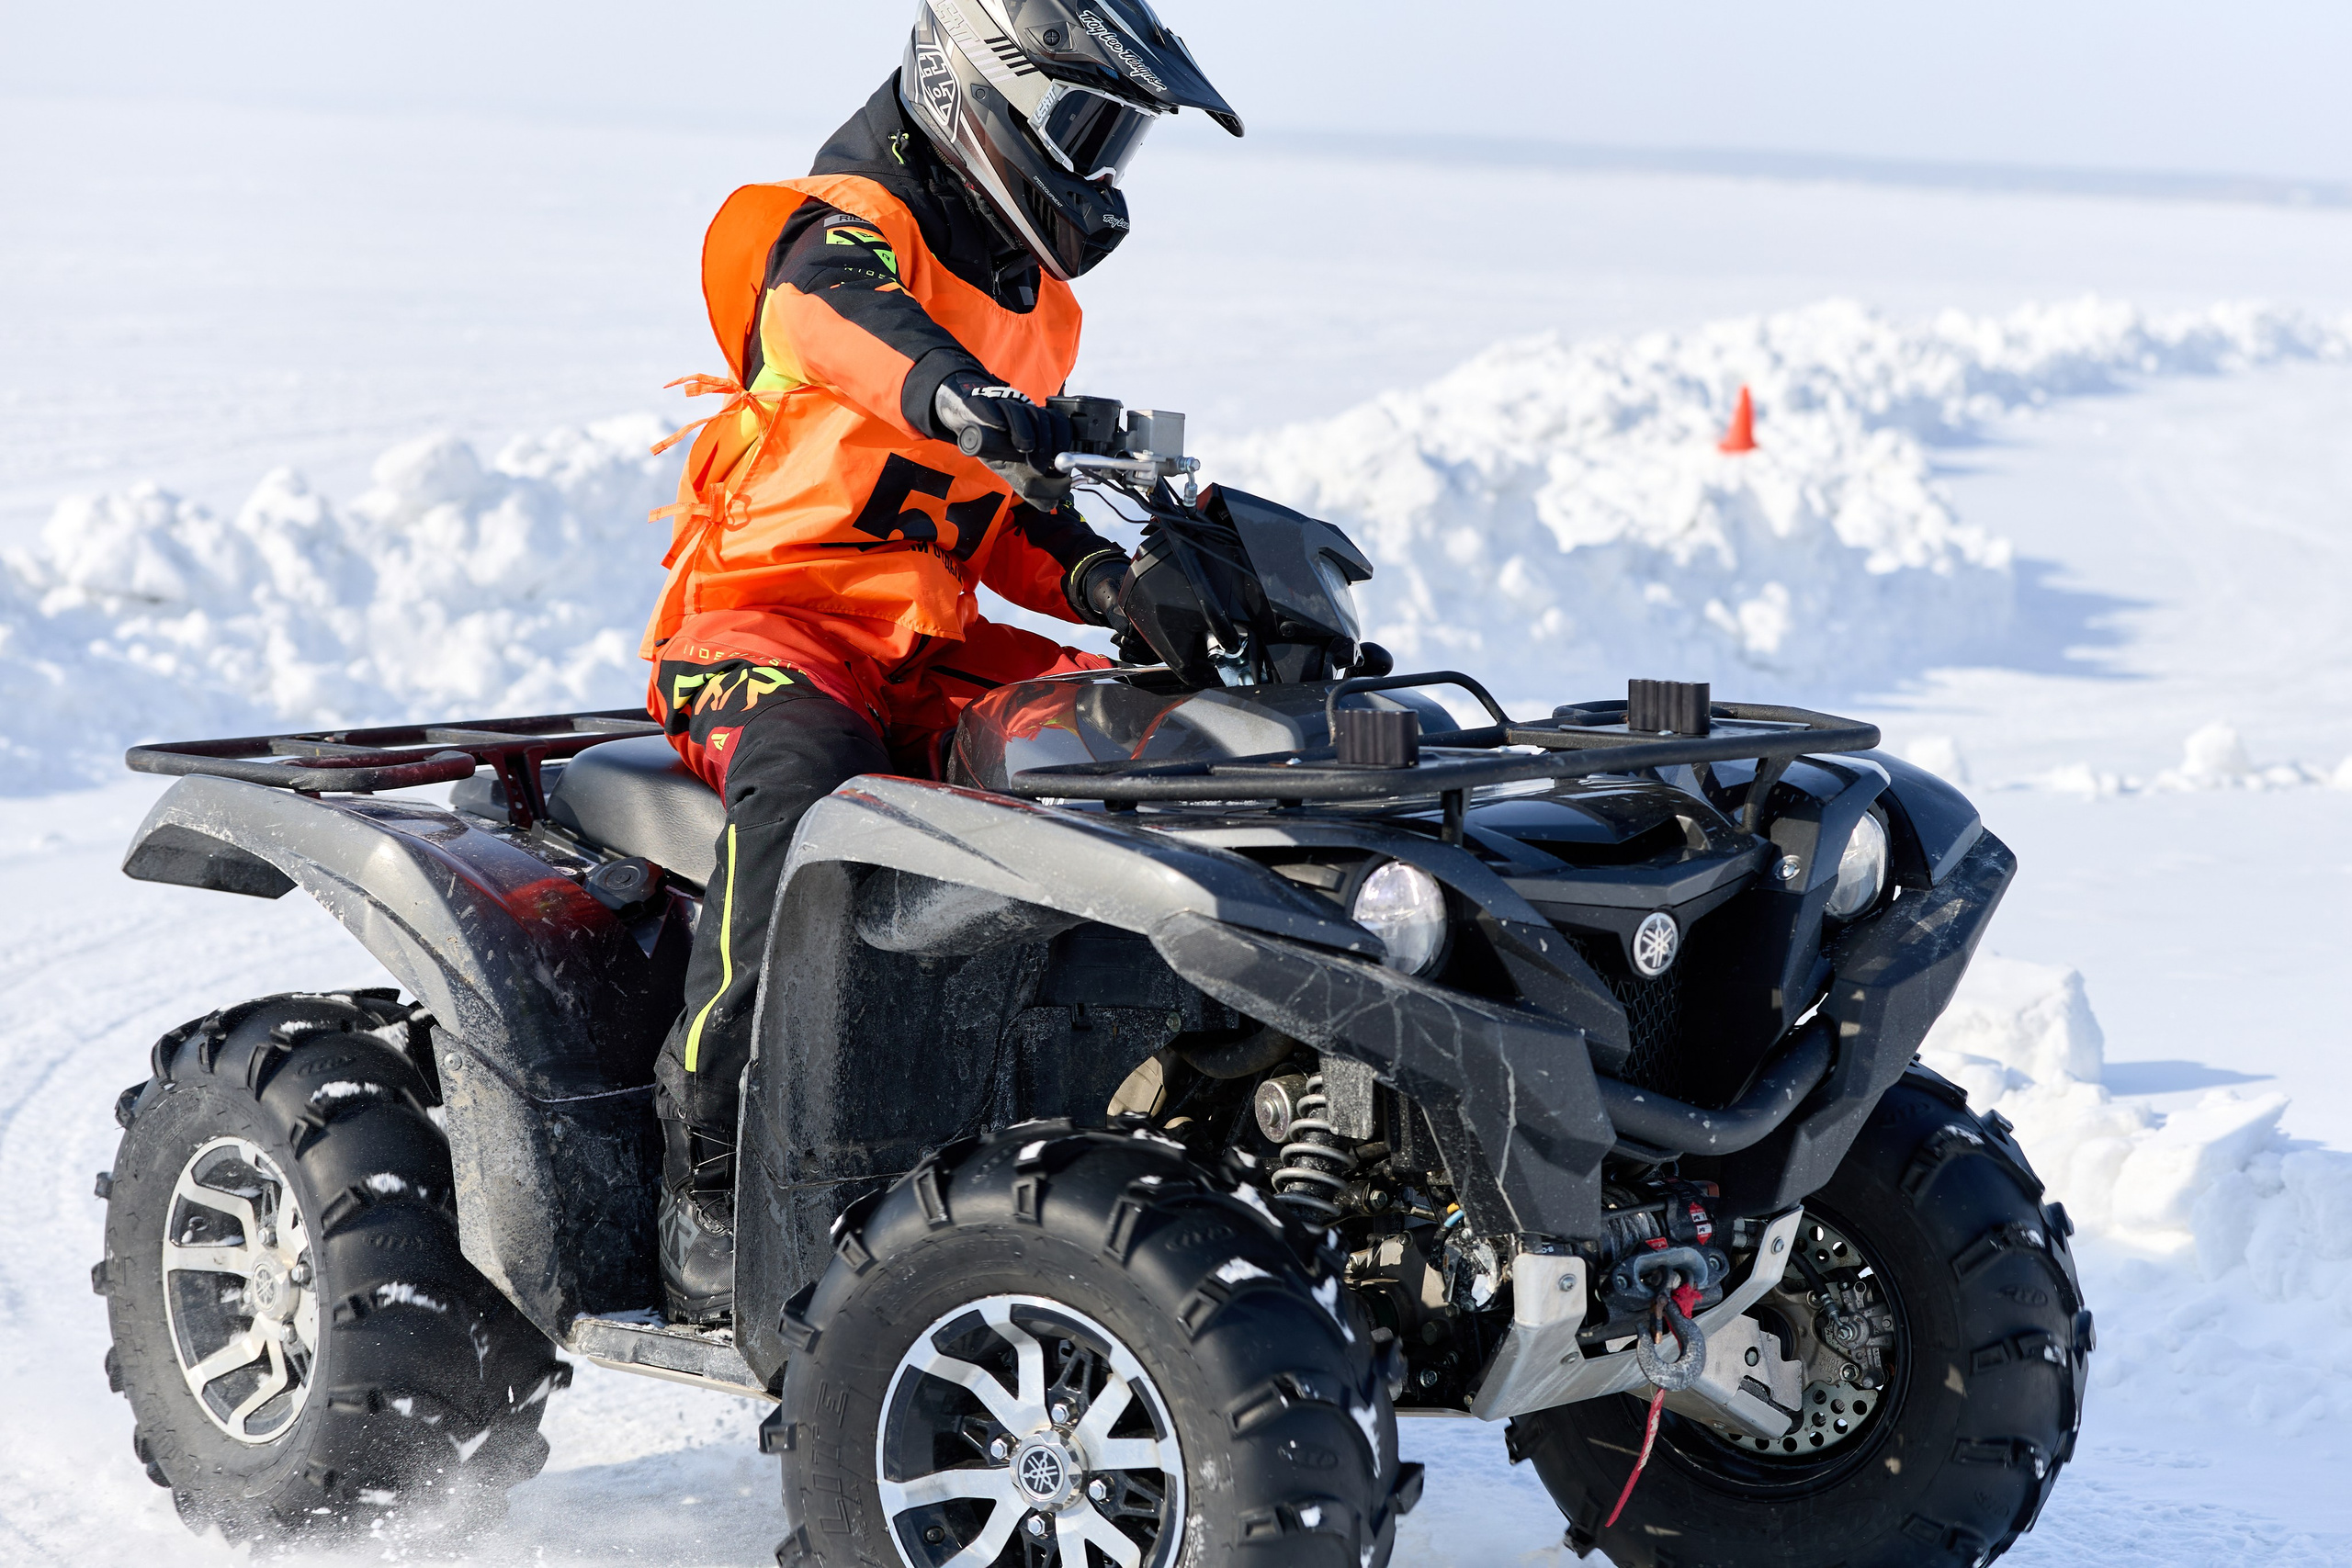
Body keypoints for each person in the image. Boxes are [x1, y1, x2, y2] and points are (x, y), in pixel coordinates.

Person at [639, 1, 1241, 1323]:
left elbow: (996, 508)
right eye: (1081, 127)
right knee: (808, 789)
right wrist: (960, 395)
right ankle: (709, 1153)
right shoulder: (835, 222)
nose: (1094, 170)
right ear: (977, 90)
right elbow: (832, 316)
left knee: (1126, 756)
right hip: (769, 627)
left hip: (929, 645)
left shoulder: (1044, 314)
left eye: (1116, 142)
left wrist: (1107, 577)